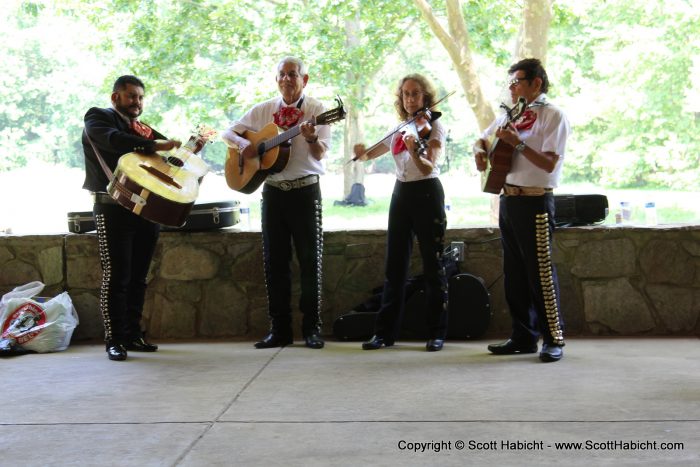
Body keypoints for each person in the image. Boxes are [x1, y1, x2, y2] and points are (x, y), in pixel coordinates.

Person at [222, 56, 330, 349]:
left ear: (304, 79)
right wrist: (246, 145)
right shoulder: (264, 110)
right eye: (281, 74)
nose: (286, 79)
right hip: (272, 193)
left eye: (293, 74)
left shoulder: (318, 110)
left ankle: (312, 329)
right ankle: (279, 329)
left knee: (310, 261)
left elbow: (320, 154)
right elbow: (228, 133)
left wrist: (309, 138)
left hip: (305, 192)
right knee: (274, 262)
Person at [473, 58, 571, 362]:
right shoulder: (512, 114)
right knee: (513, 273)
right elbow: (482, 138)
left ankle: (553, 338)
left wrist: (517, 145)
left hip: (536, 201)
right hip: (509, 199)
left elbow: (549, 163)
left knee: (540, 272)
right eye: (510, 82)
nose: (511, 87)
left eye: (517, 81)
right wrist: (479, 152)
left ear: (536, 83)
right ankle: (523, 336)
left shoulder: (553, 115)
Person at [82, 75, 181, 361]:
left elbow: (167, 154)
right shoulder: (98, 117)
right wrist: (156, 145)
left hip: (145, 209)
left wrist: (187, 150)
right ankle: (114, 338)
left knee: (138, 277)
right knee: (116, 276)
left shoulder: (143, 129)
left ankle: (133, 334)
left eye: (140, 97)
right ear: (116, 98)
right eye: (131, 96)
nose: (137, 102)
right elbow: (114, 141)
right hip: (111, 208)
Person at [353, 74, 449, 352]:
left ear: (425, 97)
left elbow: (428, 167)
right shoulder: (401, 127)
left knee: (433, 265)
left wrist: (414, 149)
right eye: (406, 94)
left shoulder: (435, 127)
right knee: (394, 265)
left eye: (415, 94)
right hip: (401, 193)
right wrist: (362, 152)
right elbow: (374, 152)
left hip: (427, 191)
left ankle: (437, 332)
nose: (410, 99)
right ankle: (384, 333)